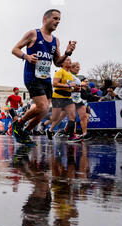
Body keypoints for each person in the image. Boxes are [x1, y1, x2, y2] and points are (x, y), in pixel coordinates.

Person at [11, 9, 76, 144]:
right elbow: (15, 49)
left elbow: (57, 62)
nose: (57, 22)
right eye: (55, 18)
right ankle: (19, 124)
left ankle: (25, 132)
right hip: (32, 76)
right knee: (43, 107)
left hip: (45, 78)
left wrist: (67, 53)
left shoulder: (55, 40)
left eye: (59, 19)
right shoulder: (33, 34)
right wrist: (26, 56)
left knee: (43, 110)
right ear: (45, 19)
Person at [45, 57, 79, 142]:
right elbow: (55, 84)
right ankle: (47, 126)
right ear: (62, 63)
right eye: (67, 60)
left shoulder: (70, 74)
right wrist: (69, 86)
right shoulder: (60, 72)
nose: (69, 61)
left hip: (68, 98)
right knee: (55, 117)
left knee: (72, 116)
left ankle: (71, 136)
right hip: (58, 97)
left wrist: (75, 88)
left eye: (70, 60)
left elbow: (70, 85)